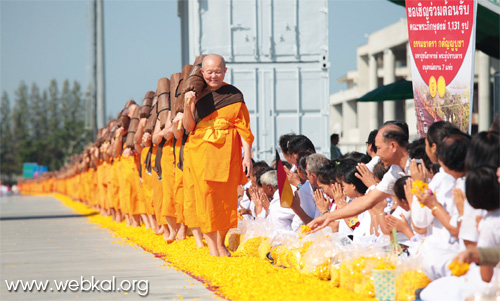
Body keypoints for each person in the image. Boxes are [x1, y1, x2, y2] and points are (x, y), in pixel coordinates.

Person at [182, 54, 254, 257]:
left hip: (227, 153)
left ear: (225, 72)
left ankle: (221, 242)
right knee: (206, 198)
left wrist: (246, 156)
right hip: (201, 153)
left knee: (226, 199)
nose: (213, 76)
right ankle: (212, 247)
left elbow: (245, 130)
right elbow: (188, 127)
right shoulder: (195, 94)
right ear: (202, 73)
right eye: (209, 72)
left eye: (218, 72)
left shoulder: (234, 95)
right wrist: (189, 104)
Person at [308, 121, 410, 232]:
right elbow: (367, 200)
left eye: (379, 148)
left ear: (393, 146)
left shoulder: (418, 166)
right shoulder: (394, 170)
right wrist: (328, 216)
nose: (377, 155)